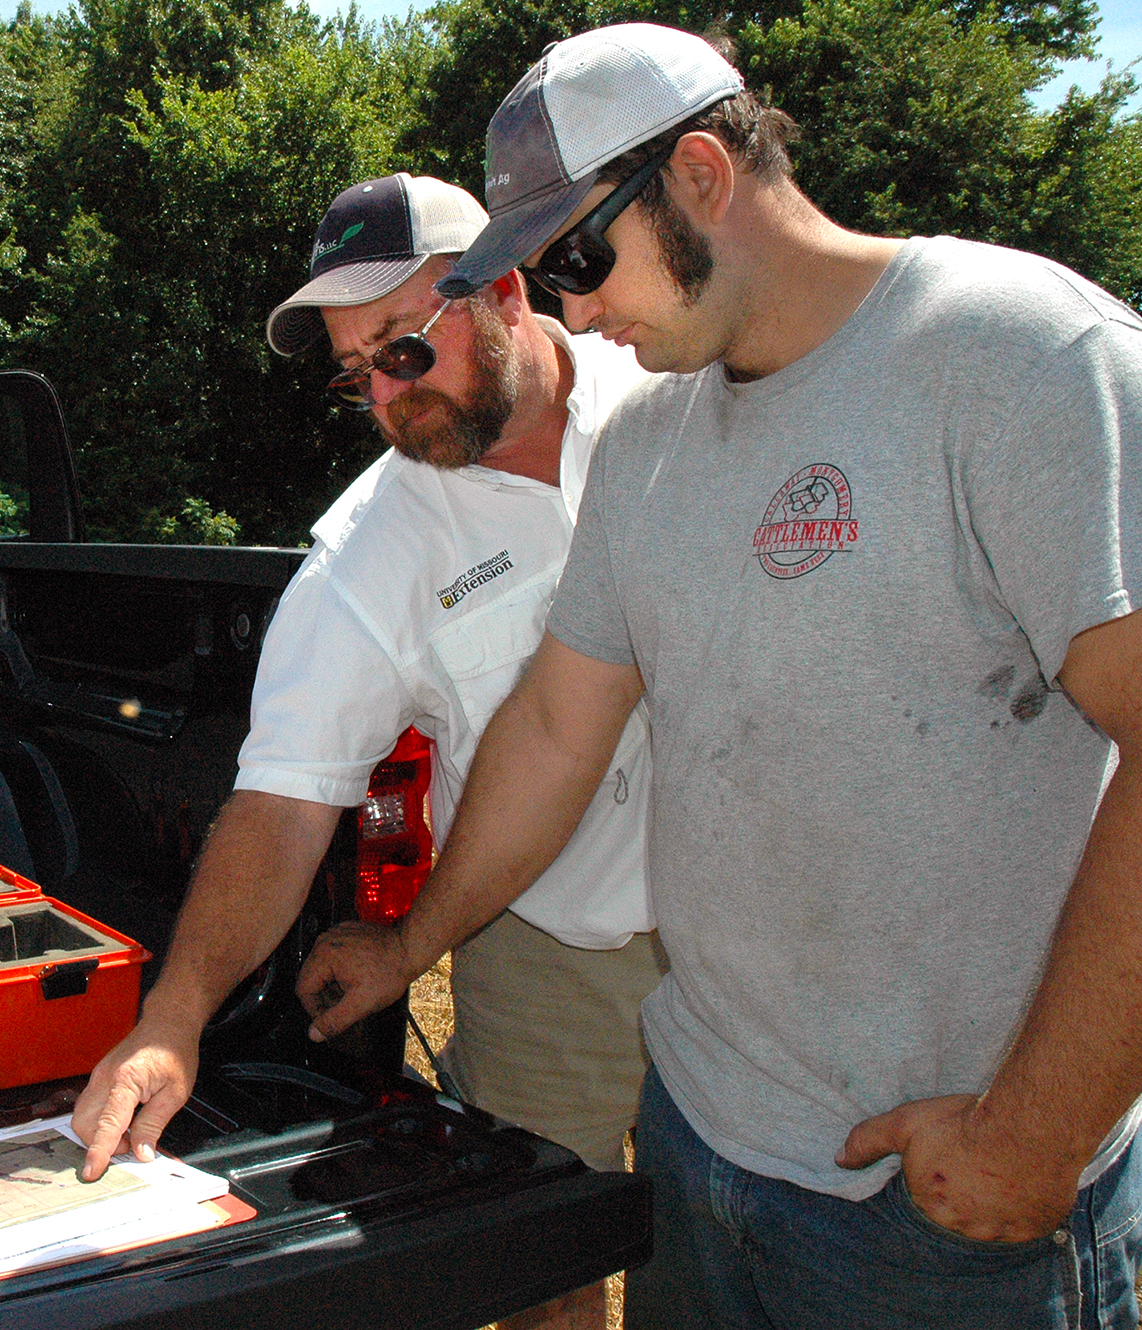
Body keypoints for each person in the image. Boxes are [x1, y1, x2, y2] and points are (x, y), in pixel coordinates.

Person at [297, 21, 1142, 1329]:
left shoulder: (1022, 356)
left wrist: (1037, 1131)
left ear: (698, 174)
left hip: (936, 1196)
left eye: (577, 254)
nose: (573, 306)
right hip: (706, 1151)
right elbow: (551, 735)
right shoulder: (650, 442)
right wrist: (414, 939)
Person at [70, 171, 660, 1330]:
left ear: (499, 288)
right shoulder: (366, 554)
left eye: (400, 347)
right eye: (355, 374)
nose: (384, 398)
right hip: (552, 943)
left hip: (767, 918)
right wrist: (172, 1020)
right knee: (540, 1268)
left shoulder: (667, 379)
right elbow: (282, 805)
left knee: (752, 1240)